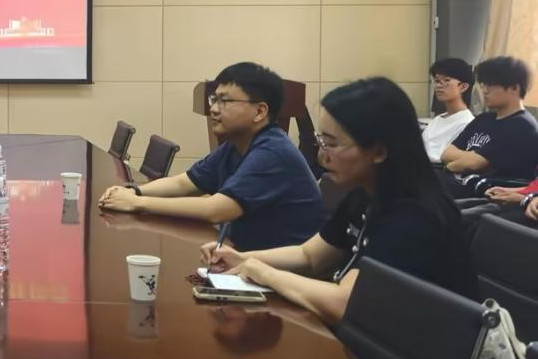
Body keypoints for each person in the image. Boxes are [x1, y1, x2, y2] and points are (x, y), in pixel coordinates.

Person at [201, 77, 473, 326]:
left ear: (378, 151)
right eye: (321, 141)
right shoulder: (364, 194)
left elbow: (345, 303)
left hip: (411, 356)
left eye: (331, 143)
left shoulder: (412, 216)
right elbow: (309, 257)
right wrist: (242, 259)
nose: (322, 156)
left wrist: (264, 274)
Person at [99, 61, 322, 251]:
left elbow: (215, 210)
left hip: (283, 272)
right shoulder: (236, 144)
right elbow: (186, 183)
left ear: (260, 111)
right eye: (214, 99)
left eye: (225, 101)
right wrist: (133, 190)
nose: (214, 109)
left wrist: (137, 203)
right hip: (244, 256)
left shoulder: (273, 152)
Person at [439, 56, 538, 195]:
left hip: (489, 194)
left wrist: (452, 165)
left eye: (491, 85)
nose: (485, 91)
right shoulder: (483, 119)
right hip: (460, 187)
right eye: (483, 85)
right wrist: (469, 158)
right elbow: (446, 154)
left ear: (515, 88)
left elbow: (474, 164)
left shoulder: (522, 126)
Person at [422, 57, 475, 162]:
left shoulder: (467, 123)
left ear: (463, 87)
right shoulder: (438, 119)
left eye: (446, 80)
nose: (438, 85)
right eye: (437, 81)